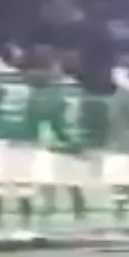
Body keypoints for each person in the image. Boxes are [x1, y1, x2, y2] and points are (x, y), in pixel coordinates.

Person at [0, 47, 39, 237]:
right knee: (24, 184)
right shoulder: (28, 82)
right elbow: (36, 110)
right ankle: (25, 228)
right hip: (24, 137)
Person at [34, 51, 90, 232]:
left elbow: (51, 113)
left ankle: (47, 211)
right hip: (74, 136)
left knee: (48, 178)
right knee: (72, 180)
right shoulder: (78, 90)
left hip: (56, 137)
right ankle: (79, 212)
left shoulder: (55, 90)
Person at [104, 61, 129, 227]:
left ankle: (119, 219)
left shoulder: (120, 96)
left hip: (123, 146)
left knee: (121, 186)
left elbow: (114, 121)